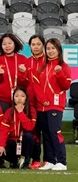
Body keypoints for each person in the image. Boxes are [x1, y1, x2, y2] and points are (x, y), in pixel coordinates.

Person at [32, 38, 70, 171]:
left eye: (53, 48)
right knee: (46, 133)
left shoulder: (64, 66)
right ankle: (50, 160)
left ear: (59, 50)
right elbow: (36, 85)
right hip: (42, 105)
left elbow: (65, 86)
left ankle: (61, 161)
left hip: (55, 104)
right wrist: (42, 100)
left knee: (55, 132)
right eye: (48, 49)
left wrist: (59, 73)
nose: (50, 51)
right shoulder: (43, 66)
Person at [0, 87, 37, 169]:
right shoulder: (9, 111)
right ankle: (13, 161)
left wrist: (21, 113)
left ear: (26, 98)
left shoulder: (31, 110)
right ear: (13, 98)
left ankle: (26, 161)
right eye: (16, 96)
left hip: (25, 143)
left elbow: (29, 127)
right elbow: (4, 130)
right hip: (13, 141)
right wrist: (1, 145)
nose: (19, 99)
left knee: (29, 136)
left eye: (22, 96)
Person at [0, 33, 29, 111]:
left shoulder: (23, 59)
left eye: (10, 43)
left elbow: (26, 83)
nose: (7, 46)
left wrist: (22, 73)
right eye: (4, 44)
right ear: (1, 46)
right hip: (2, 100)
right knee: (1, 122)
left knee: (19, 122)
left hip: (19, 100)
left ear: (15, 43)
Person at [27, 34, 46, 170]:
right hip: (31, 104)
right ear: (30, 47)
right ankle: (35, 159)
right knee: (35, 133)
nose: (36, 47)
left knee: (47, 133)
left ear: (43, 45)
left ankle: (49, 159)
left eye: (38, 44)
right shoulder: (27, 62)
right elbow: (23, 83)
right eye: (33, 44)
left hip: (45, 104)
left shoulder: (49, 62)